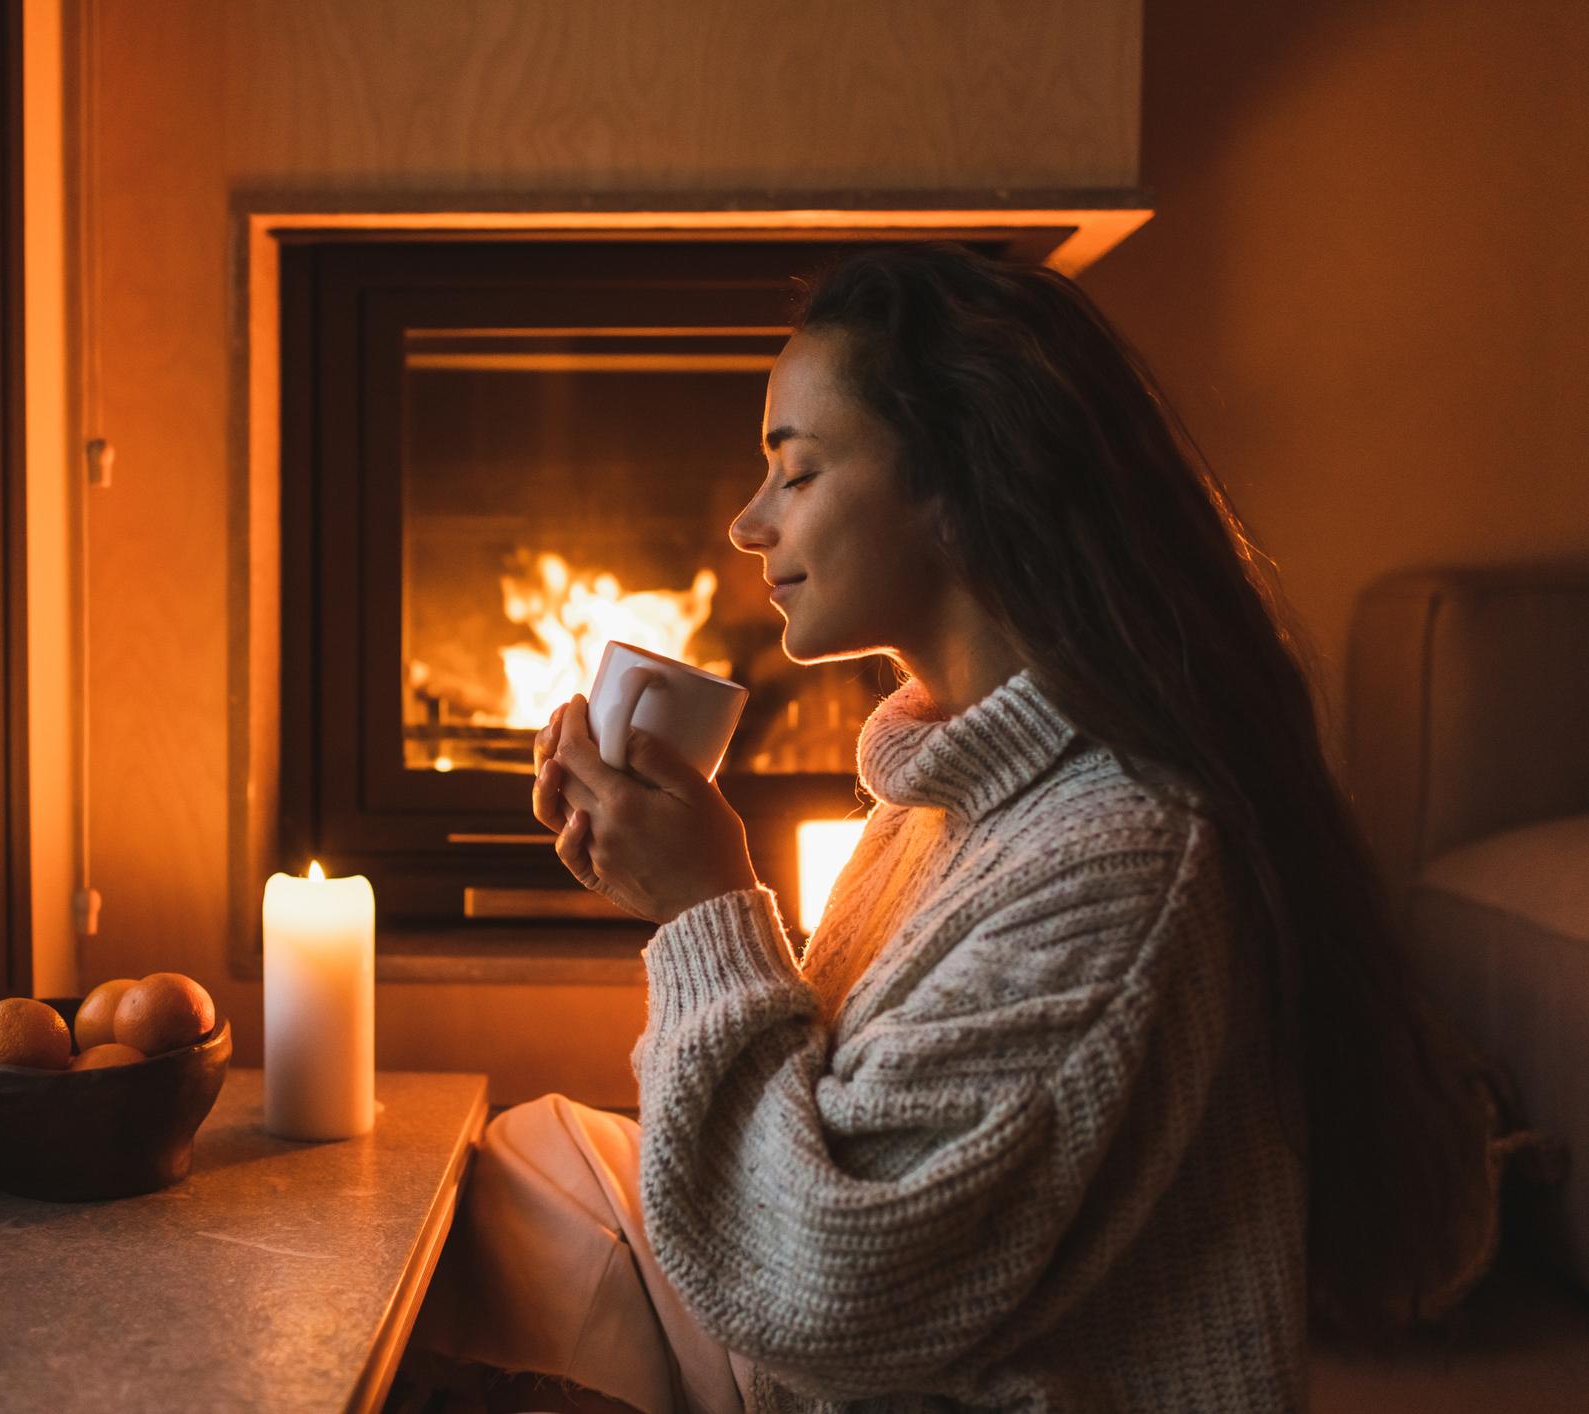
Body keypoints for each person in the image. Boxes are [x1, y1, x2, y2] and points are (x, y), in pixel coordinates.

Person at [404, 244, 1499, 1413]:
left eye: (798, 471)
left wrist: (706, 912)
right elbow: (834, 1120)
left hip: (910, 1363)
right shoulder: (954, 796)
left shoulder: (1128, 854)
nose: (745, 524)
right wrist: (685, 901)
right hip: (859, 1335)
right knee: (519, 1170)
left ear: (959, 484)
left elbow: (832, 1289)